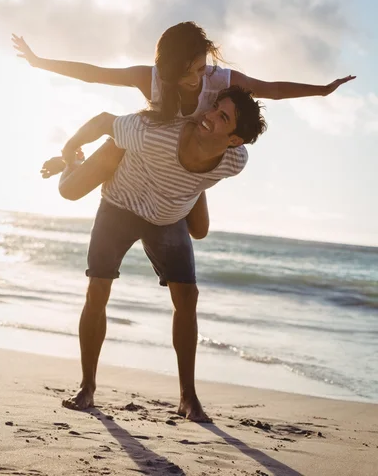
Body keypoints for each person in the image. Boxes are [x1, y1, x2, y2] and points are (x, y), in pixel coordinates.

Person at [50, 85, 266, 422]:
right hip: (120, 204)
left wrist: (190, 187)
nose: (209, 116)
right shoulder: (159, 134)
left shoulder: (235, 161)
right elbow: (106, 122)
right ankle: (87, 386)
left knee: (188, 297)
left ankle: (188, 397)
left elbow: (204, 177)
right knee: (98, 290)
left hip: (167, 219)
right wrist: (70, 150)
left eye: (222, 117)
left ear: (235, 139)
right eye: (214, 107)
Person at [12, 22, 356, 232]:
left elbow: (274, 90)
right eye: (187, 72)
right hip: (139, 147)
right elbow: (94, 73)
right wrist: (40, 62)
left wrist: (322, 91)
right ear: (169, 69)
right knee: (70, 192)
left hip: (189, 162)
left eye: (200, 68)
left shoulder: (220, 82)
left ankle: (192, 181)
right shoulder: (150, 80)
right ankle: (71, 161)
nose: (196, 79)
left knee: (200, 230)